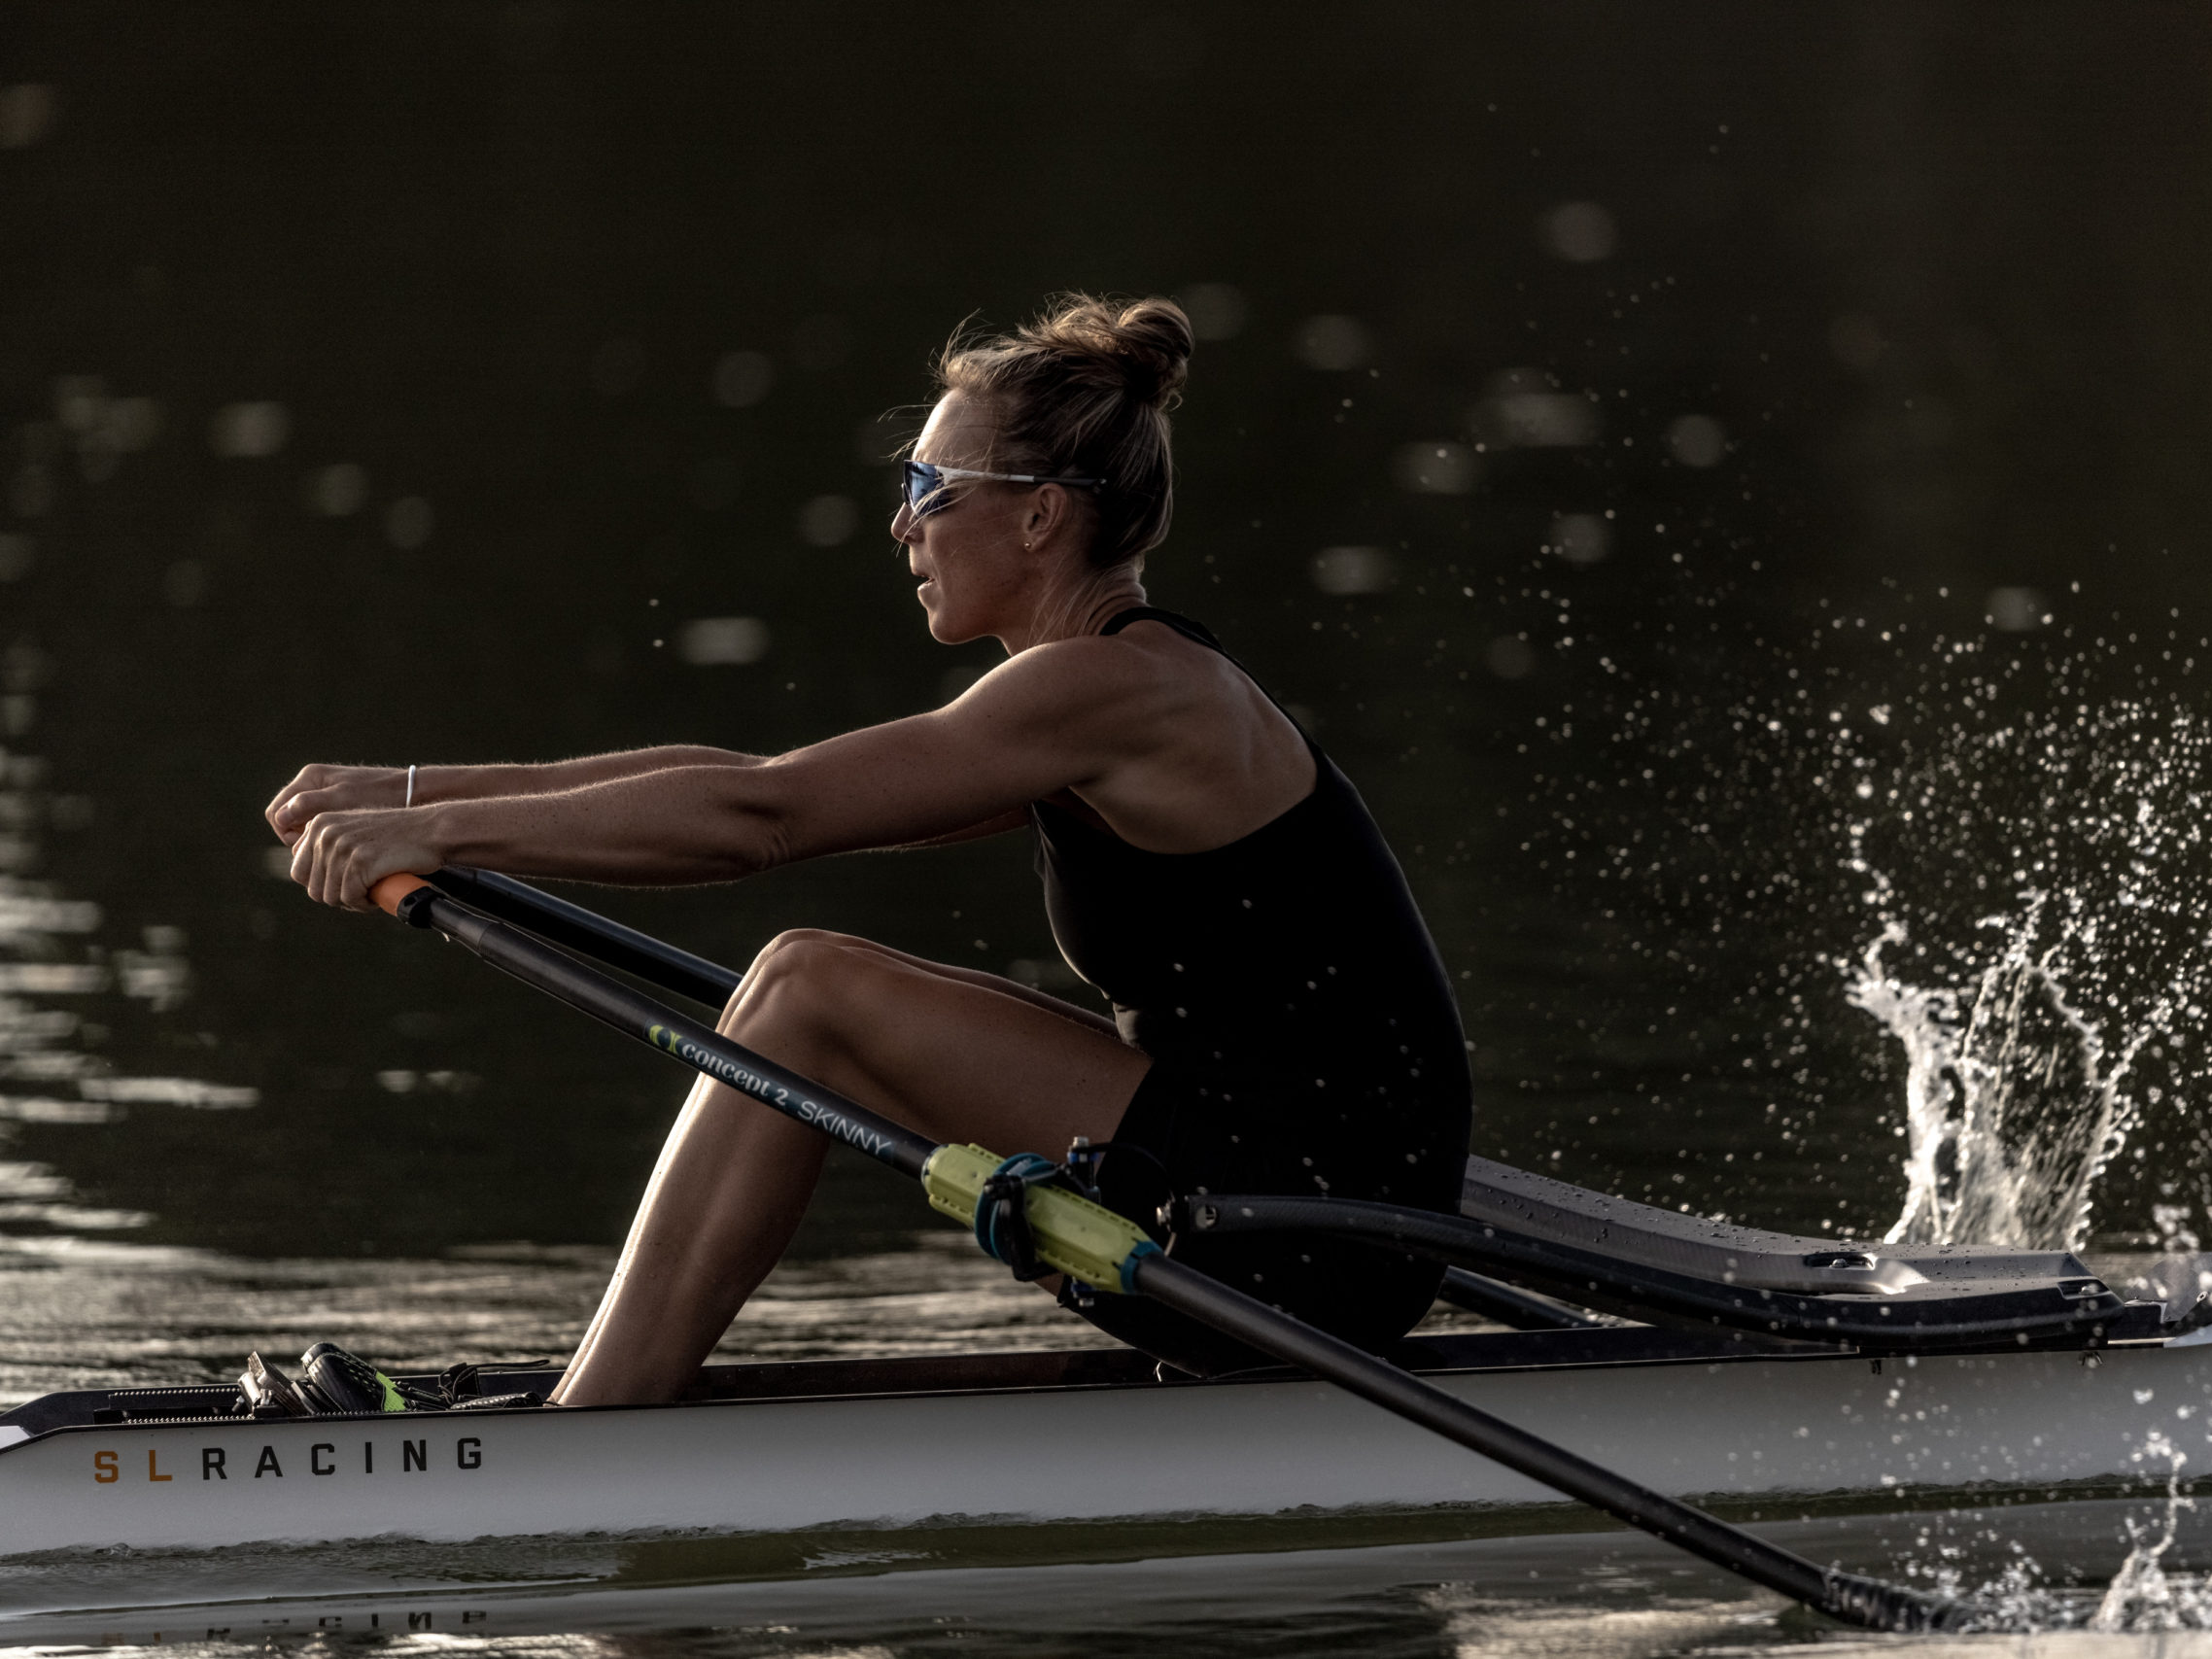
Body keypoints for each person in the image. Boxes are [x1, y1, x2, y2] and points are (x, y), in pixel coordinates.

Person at [263, 294, 1472, 1404]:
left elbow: (761, 816)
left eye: (930, 484)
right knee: (804, 990)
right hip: (1274, 1187)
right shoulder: (1101, 698)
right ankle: (600, 1401)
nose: (902, 520)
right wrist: (409, 789)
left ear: (1041, 515)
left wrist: (437, 828)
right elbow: (741, 783)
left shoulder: (1120, 690)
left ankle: (590, 1424)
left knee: (804, 990)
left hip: (1310, 1234)